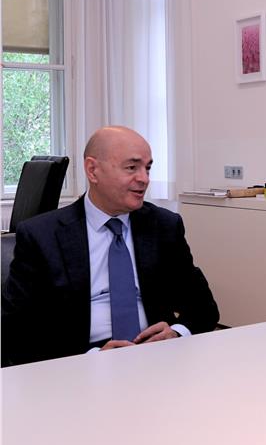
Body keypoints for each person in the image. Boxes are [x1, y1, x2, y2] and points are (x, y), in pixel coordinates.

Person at [2, 126, 219, 366]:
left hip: (156, 358)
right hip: (78, 363)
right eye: (131, 168)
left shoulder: (164, 226)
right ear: (93, 170)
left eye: (147, 168)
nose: (144, 179)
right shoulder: (41, 235)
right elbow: (15, 330)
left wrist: (176, 333)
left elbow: (205, 309)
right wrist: (89, 359)